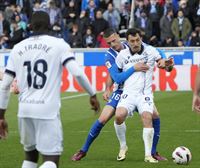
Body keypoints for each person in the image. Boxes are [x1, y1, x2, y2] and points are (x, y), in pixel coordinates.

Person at [0, 11, 100, 168]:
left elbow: (5, 85)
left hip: (24, 110)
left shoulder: (17, 48)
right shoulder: (59, 45)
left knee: (30, 157)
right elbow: (78, 73)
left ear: (30, 26)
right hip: (47, 110)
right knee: (51, 159)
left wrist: (1, 115)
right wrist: (92, 94)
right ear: (50, 25)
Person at [71, 28, 172, 162]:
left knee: (155, 116)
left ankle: (153, 152)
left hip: (140, 90)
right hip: (121, 90)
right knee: (103, 118)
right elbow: (115, 76)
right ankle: (83, 150)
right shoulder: (110, 56)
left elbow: (157, 51)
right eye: (109, 43)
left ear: (119, 36)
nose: (113, 44)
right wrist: (108, 87)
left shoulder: (133, 43)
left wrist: (164, 60)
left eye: (114, 40)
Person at [114, 28, 170, 163]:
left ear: (141, 39)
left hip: (145, 94)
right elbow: (117, 77)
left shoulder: (150, 51)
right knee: (118, 116)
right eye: (132, 41)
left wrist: (165, 64)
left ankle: (148, 155)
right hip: (128, 93)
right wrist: (134, 68)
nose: (135, 43)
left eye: (137, 40)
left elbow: (164, 63)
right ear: (127, 41)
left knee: (147, 116)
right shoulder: (122, 55)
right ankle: (123, 146)